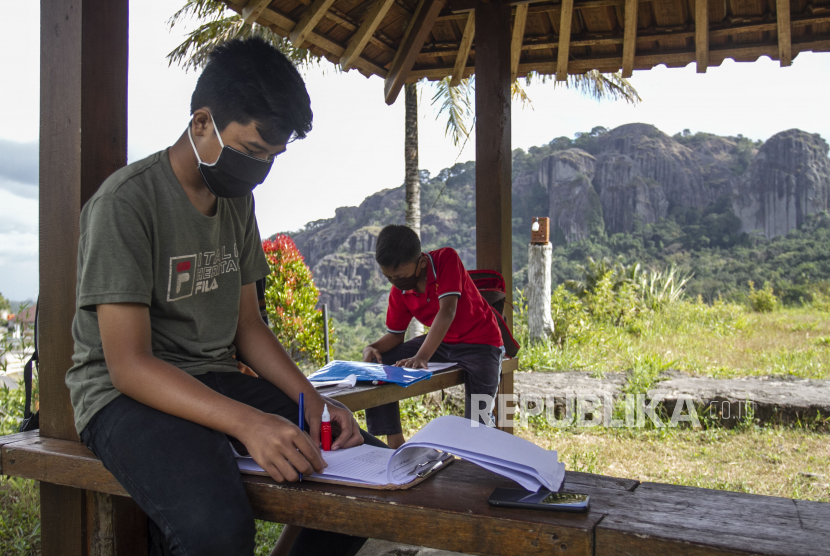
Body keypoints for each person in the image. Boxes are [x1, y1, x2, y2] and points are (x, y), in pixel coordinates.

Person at [66, 38, 382, 556]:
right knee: (216, 530)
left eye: (272, 157)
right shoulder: (125, 203)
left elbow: (249, 328)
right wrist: (250, 423)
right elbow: (128, 364)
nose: (259, 168)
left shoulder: (236, 201)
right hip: (123, 395)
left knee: (358, 476)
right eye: (251, 151)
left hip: (213, 376)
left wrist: (315, 403)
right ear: (201, 124)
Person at [363, 225, 505, 449]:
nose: (395, 282)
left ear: (420, 262)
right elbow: (395, 335)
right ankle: (395, 442)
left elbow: (447, 311)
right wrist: (372, 347)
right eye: (388, 277)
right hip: (443, 342)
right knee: (381, 363)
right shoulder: (399, 290)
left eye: (399, 276)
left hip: (481, 343)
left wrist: (422, 356)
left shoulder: (446, 259)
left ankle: (485, 452)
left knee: (478, 420)